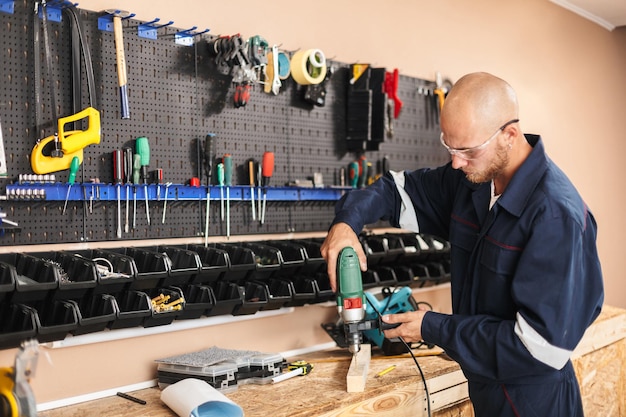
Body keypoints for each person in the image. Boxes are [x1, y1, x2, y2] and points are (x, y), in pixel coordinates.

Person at [321, 72, 604, 416]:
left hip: (535, 403)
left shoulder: (555, 216)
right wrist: (346, 222)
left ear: (509, 135)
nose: (455, 162)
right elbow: (394, 190)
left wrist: (434, 326)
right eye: (449, 147)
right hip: (486, 391)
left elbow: (541, 349)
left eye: (467, 150)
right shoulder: (473, 182)